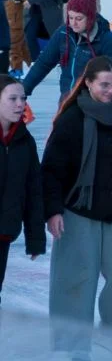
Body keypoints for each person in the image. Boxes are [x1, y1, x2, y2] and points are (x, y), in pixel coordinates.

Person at [42, 56, 112, 361]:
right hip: (78, 211)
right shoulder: (72, 120)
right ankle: (76, 351)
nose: (111, 91)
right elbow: (52, 170)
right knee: (77, 278)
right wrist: (53, 211)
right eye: (104, 85)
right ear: (88, 83)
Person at [22, 0, 112, 105]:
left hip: (95, 106)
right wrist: (22, 92)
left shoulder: (106, 41)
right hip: (67, 103)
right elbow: (43, 64)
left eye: (79, 18)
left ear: (91, 17)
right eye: (70, 18)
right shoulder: (62, 34)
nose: (73, 23)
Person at [0, 76, 45, 306]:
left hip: (3, 233)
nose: (20, 104)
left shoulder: (24, 141)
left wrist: (35, 239)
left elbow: (33, 191)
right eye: (13, 98)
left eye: (23, 99)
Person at [1, 0, 31, 78]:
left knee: (14, 48)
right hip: (9, 24)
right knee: (22, 46)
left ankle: (16, 70)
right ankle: (30, 64)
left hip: (14, 25)